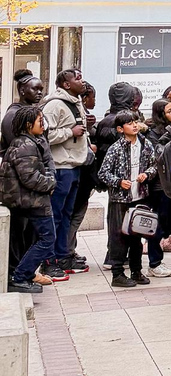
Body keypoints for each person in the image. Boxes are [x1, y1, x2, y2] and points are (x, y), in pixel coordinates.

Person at [1, 70, 58, 285]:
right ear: (22, 89)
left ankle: (24, 273)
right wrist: (50, 181)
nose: (39, 93)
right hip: (29, 197)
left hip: (34, 196)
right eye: (35, 88)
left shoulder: (31, 134)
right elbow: (29, 173)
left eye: (42, 89)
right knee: (40, 239)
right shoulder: (20, 133)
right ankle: (20, 274)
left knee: (38, 238)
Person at [98, 110, 156, 288]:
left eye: (135, 122)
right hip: (120, 200)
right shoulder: (115, 148)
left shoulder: (146, 145)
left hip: (140, 197)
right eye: (130, 123)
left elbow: (154, 165)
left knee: (137, 236)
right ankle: (117, 273)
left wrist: (146, 174)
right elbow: (103, 173)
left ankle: (136, 271)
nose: (134, 125)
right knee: (119, 237)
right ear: (120, 129)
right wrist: (118, 182)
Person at [42, 69, 91, 276]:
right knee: (56, 215)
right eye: (77, 78)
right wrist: (70, 132)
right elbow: (45, 134)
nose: (82, 81)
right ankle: (48, 259)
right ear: (66, 84)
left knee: (67, 215)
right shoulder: (54, 105)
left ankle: (63, 256)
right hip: (61, 167)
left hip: (74, 166)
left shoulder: (75, 102)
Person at [94, 82, 138, 270]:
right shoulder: (120, 123)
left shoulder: (106, 120)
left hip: (127, 181)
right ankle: (114, 257)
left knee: (125, 220)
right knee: (119, 221)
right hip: (120, 182)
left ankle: (118, 255)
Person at [144, 99, 171, 278]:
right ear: (160, 115)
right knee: (159, 225)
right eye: (169, 111)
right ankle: (154, 262)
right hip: (160, 187)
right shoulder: (154, 135)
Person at [67, 81, 98, 268]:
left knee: (74, 216)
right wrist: (90, 148)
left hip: (83, 176)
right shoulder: (76, 115)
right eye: (93, 97)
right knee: (72, 216)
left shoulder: (85, 117)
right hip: (79, 174)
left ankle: (70, 249)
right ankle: (66, 251)